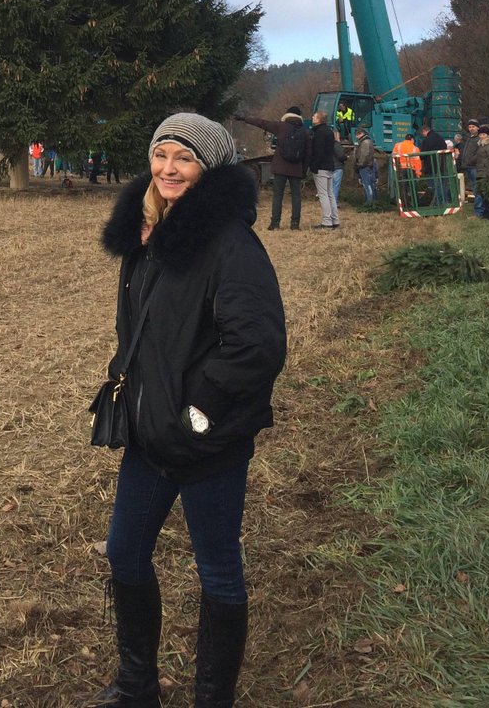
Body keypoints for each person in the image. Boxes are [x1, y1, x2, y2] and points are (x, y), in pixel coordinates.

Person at [90, 112, 286, 708]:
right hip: (151, 438)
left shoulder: (230, 244)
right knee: (124, 553)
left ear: (209, 168)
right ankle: (136, 686)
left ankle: (212, 699)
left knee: (218, 568)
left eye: (185, 158)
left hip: (208, 442)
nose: (169, 168)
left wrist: (199, 413)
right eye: (161, 155)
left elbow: (257, 346)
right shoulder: (149, 235)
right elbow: (145, 333)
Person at [233, 105, 310, 231]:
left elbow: (261, 123)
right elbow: (308, 153)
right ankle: (295, 224)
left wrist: (244, 118)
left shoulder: (280, 126)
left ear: (287, 115)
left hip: (280, 167)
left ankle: (275, 223)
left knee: (278, 195)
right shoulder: (305, 132)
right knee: (296, 196)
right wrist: (303, 170)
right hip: (296, 168)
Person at [309, 111, 339, 228]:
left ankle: (327, 221)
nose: (312, 117)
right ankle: (335, 219)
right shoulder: (329, 132)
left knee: (323, 194)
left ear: (319, 119)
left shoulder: (319, 133)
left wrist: (314, 166)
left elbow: (318, 151)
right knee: (330, 194)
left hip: (321, 167)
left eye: (314, 116)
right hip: (330, 166)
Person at [419, 122, 449, 205]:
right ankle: (444, 202)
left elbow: (422, 155)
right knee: (443, 185)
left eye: (422, 133)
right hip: (442, 165)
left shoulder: (427, 140)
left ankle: (436, 202)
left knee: (434, 186)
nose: (423, 135)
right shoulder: (439, 137)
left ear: (424, 131)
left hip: (431, 167)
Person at [458, 120, 482, 216]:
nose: (471, 128)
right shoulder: (469, 138)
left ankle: (479, 212)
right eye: (470, 127)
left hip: (474, 167)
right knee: (475, 189)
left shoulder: (479, 138)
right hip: (468, 167)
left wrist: (472, 160)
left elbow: (480, 153)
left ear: (477, 128)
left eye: (473, 126)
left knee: (477, 189)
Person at [353, 127, 377, 203]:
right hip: (369, 165)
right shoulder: (367, 141)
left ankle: (369, 202)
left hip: (365, 166)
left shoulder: (365, 142)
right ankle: (373, 201)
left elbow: (364, 155)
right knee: (371, 184)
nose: (356, 137)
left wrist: (359, 164)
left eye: (357, 135)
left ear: (360, 134)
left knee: (367, 185)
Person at [331, 130, 346, 202]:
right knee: (336, 186)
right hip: (337, 167)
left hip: (330, 167)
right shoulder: (337, 144)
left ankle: (329, 202)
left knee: (330, 186)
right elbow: (341, 156)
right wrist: (346, 157)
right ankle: (334, 202)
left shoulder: (327, 144)